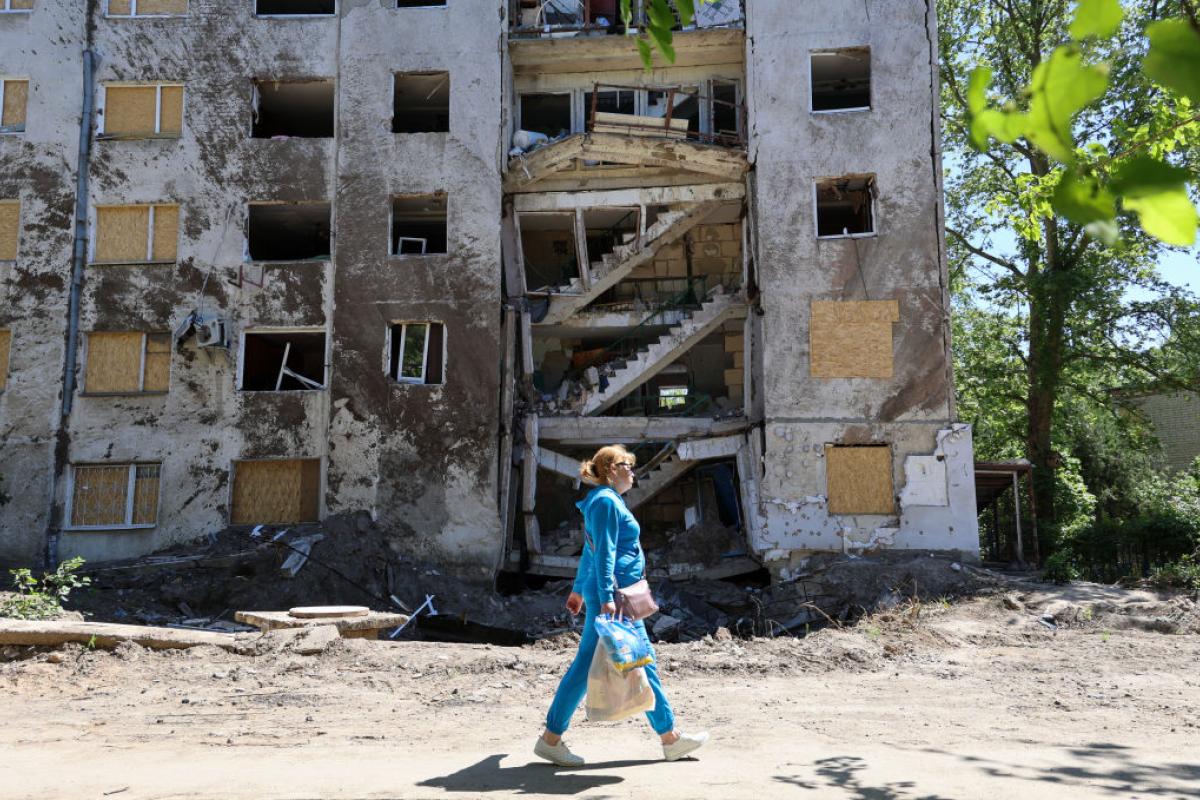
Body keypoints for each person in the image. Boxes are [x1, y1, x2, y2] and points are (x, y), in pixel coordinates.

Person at [534, 444, 709, 766]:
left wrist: (578, 591)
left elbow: (590, 550)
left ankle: (551, 738)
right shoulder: (604, 503)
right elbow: (603, 554)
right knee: (640, 660)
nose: (633, 472)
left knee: (601, 664)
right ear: (612, 469)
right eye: (628, 466)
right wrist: (604, 599)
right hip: (617, 598)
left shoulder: (607, 502)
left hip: (614, 595)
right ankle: (669, 738)